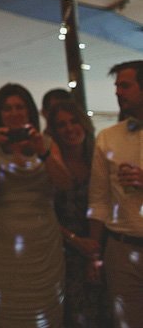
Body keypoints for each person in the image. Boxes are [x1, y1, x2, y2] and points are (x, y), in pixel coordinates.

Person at [0, 83, 72, 327]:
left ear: (29, 110)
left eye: (19, 106)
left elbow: (65, 184)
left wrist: (43, 152)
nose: (14, 112)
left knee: (46, 305)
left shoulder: (47, 142)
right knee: (3, 307)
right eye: (7, 108)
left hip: (43, 239)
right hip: (0, 240)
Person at [88, 60, 143, 327]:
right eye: (117, 86)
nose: (118, 92)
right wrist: (94, 255)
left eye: (125, 85)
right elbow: (99, 200)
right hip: (120, 249)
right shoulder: (107, 138)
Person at [46, 99, 109, 327]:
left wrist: (93, 251)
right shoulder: (50, 164)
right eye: (61, 125)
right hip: (62, 250)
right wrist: (75, 241)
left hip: (100, 245)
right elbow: (45, 212)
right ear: (54, 131)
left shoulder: (99, 158)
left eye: (74, 121)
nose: (70, 128)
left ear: (84, 123)